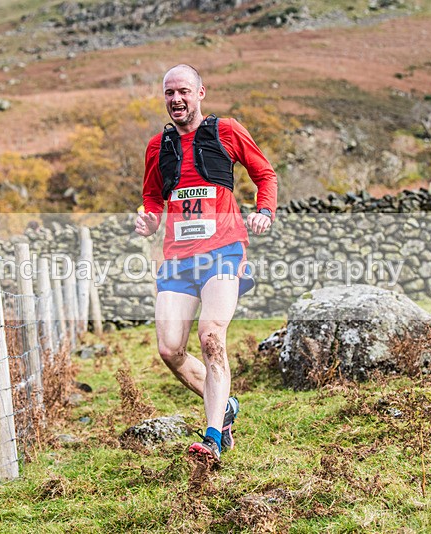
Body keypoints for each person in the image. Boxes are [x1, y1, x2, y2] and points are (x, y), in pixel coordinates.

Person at [134, 64, 277, 463]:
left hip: (223, 250)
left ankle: (213, 438)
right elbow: (151, 198)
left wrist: (264, 211)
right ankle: (225, 405)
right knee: (169, 349)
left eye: (183, 91)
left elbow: (265, 174)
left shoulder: (227, 131)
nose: (175, 99)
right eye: (168, 93)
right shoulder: (156, 146)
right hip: (178, 260)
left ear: (200, 93)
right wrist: (147, 217)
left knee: (211, 335)